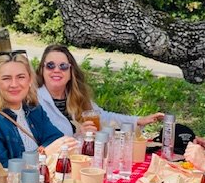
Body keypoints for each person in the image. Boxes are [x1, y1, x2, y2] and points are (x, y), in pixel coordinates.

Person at [0, 51, 77, 167]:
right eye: (6, 78)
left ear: (29, 80)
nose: (14, 84)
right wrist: (43, 153)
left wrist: (42, 152)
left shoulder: (33, 109)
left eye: (21, 77)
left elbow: (56, 139)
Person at [36, 44, 164, 135]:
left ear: (71, 72)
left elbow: (103, 117)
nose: (56, 70)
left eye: (63, 66)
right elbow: (42, 141)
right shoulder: (34, 101)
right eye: (50, 65)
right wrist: (79, 135)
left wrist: (138, 120)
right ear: (42, 69)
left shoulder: (76, 96)